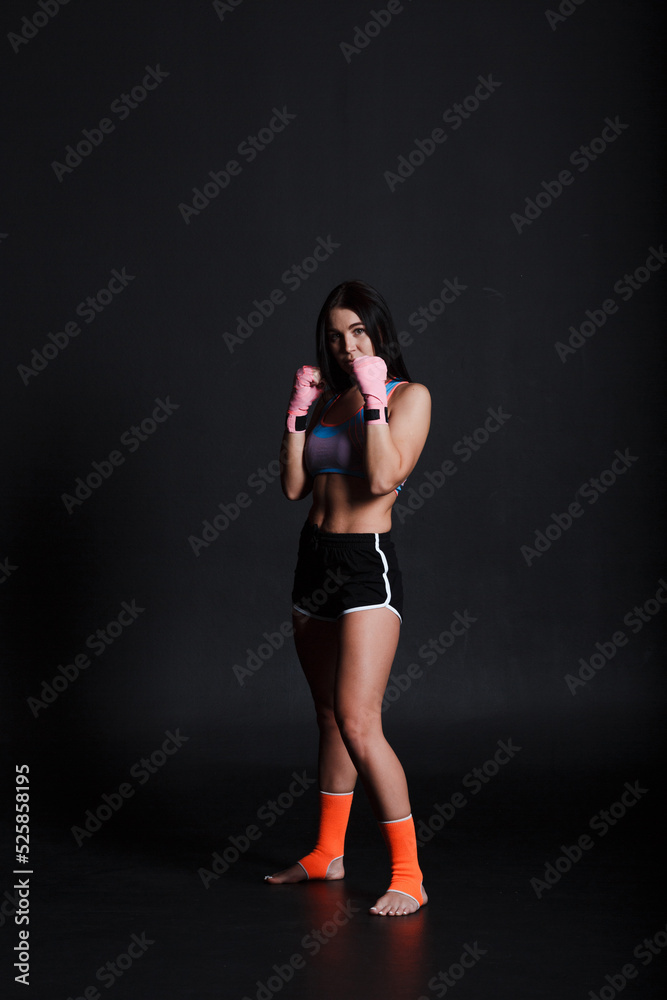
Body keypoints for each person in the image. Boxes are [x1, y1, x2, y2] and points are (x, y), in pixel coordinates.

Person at [266, 279, 431, 916]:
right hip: (315, 558)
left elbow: (387, 475)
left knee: (360, 721)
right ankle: (328, 854)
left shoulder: (408, 397)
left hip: (365, 564)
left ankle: (410, 874)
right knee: (329, 719)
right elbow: (293, 486)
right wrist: (298, 415)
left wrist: (372, 397)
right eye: (336, 336)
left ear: (380, 332)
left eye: (358, 332)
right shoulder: (332, 400)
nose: (345, 345)